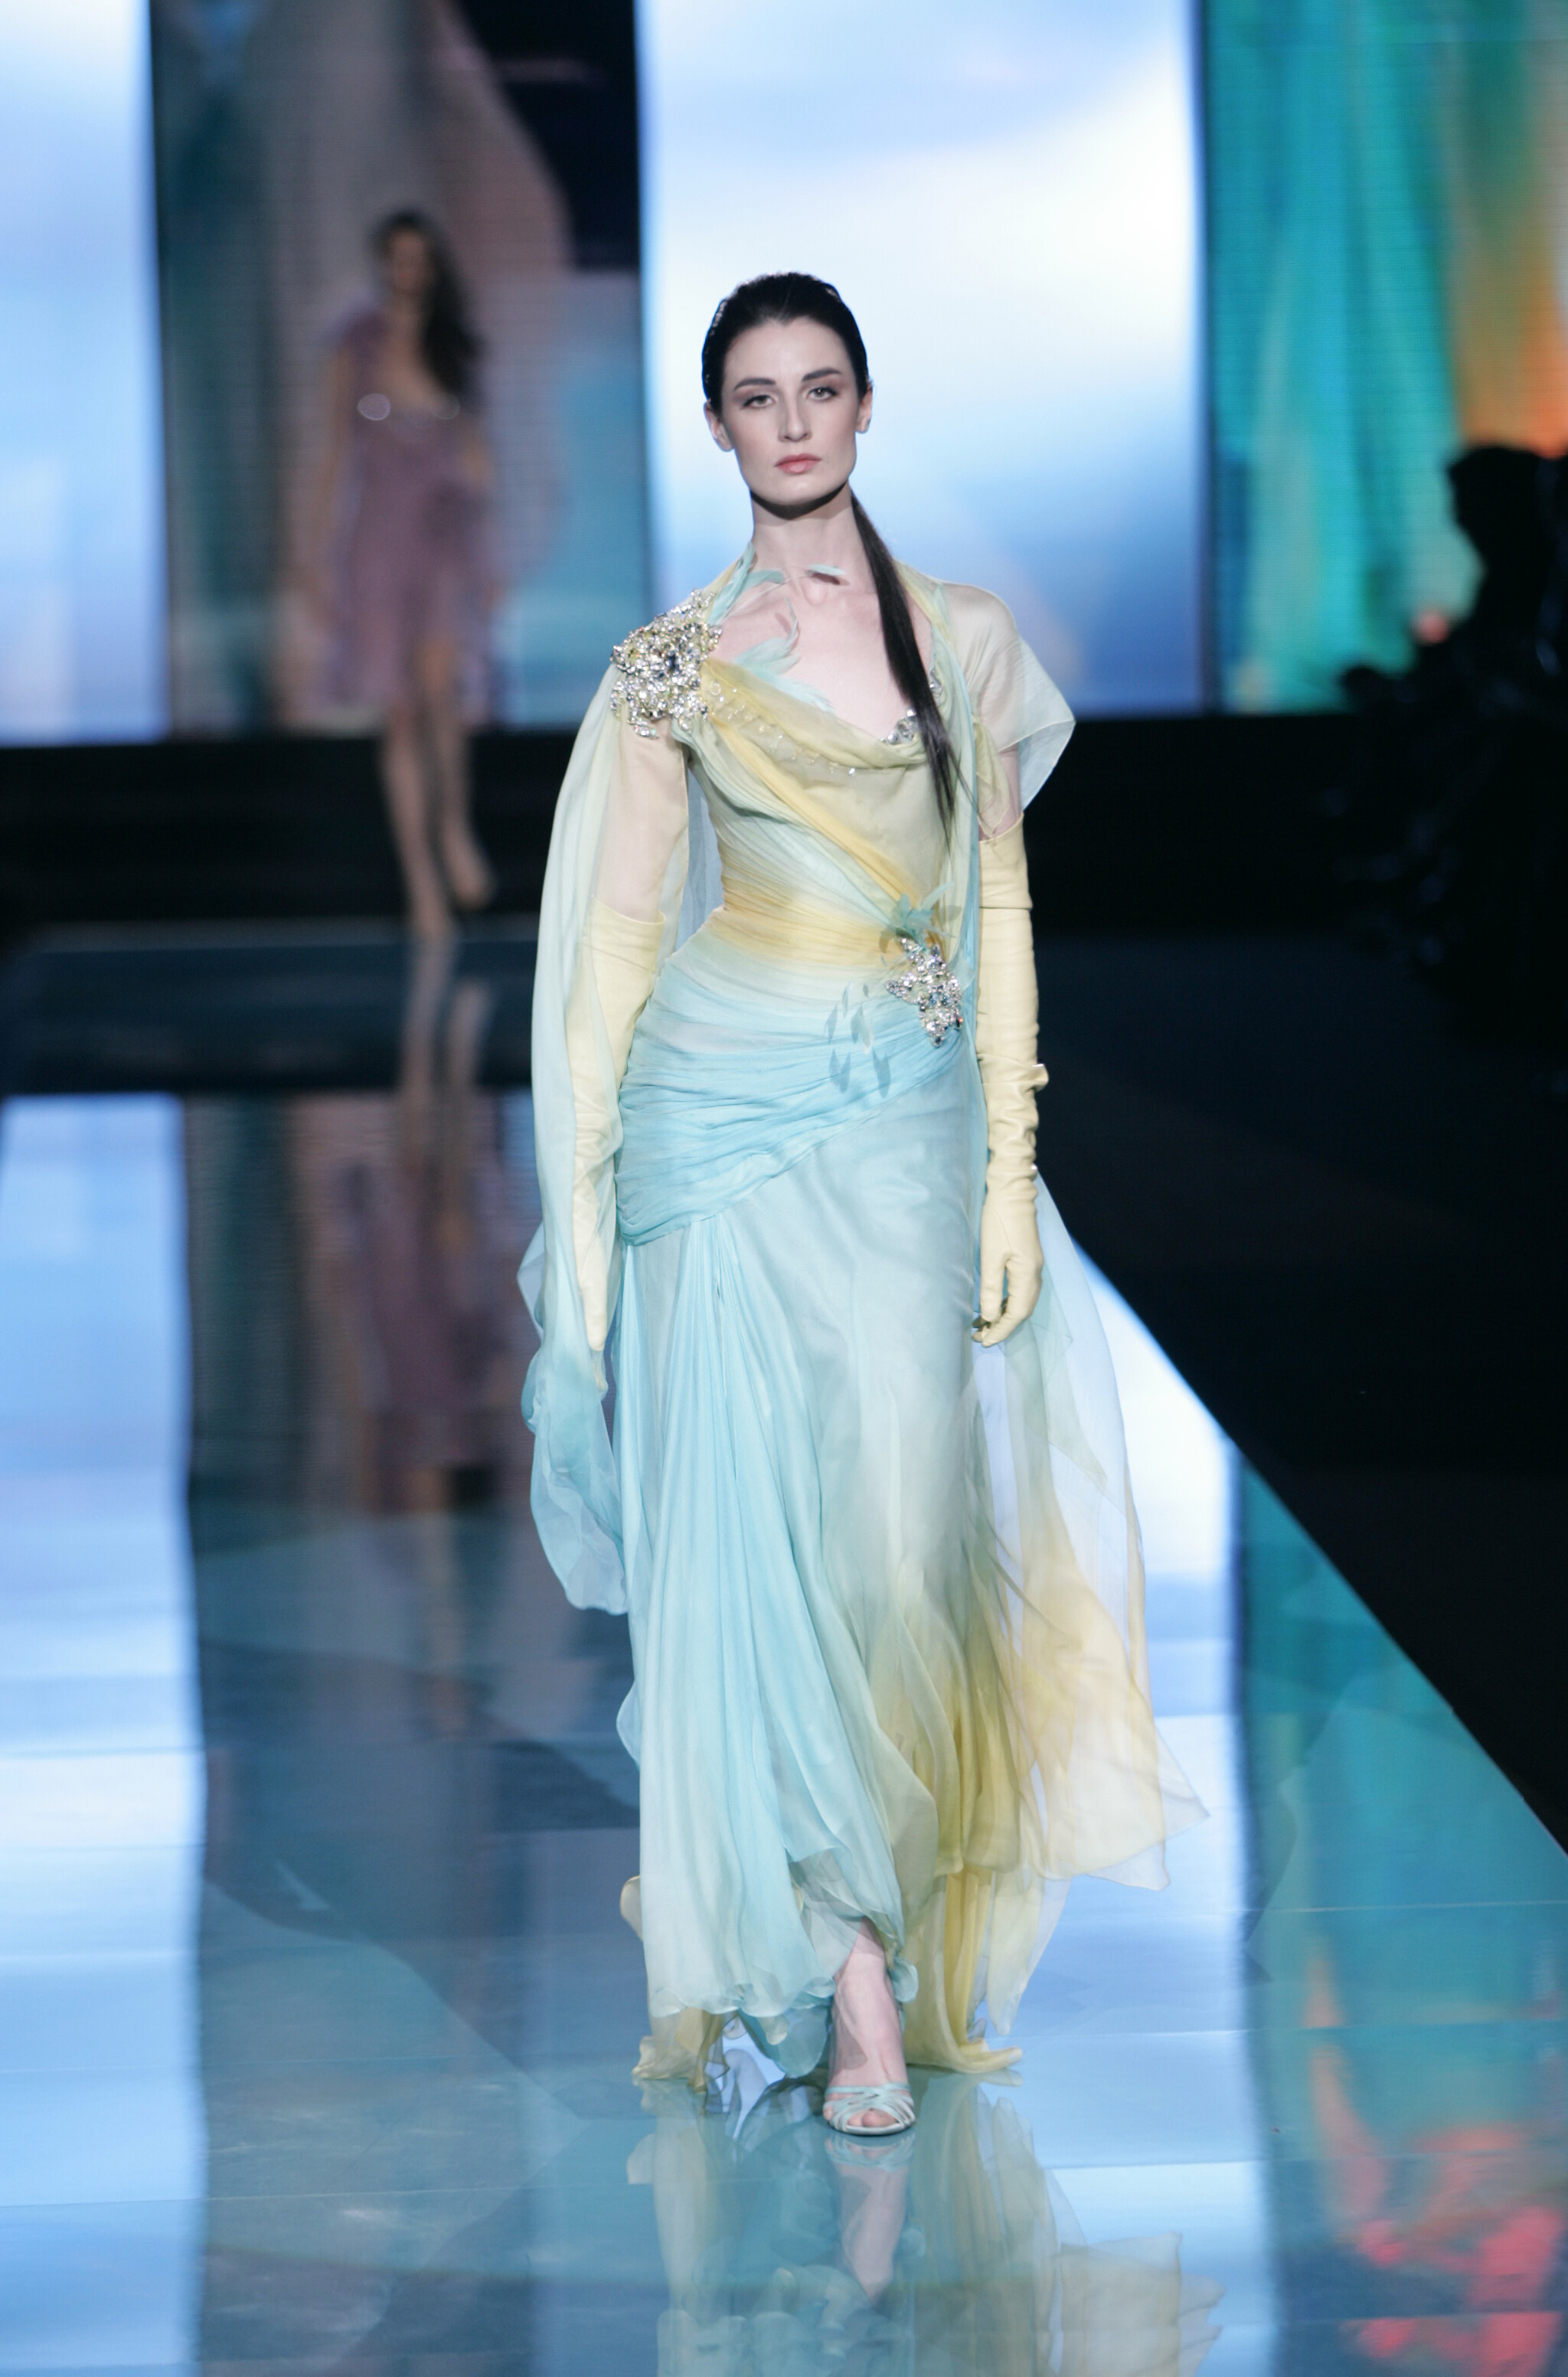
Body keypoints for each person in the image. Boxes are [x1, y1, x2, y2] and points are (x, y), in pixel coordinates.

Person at [521, 273, 1201, 2135]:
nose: (792, 422)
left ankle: (865, 1924)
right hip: (711, 1130)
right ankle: (851, 1975)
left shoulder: (960, 636)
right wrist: (588, 1199)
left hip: (902, 1128)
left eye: (819, 387)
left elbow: (1000, 908)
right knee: (757, 1548)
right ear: (718, 426)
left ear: (866, 404)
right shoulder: (670, 666)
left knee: (898, 1547)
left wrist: (1009, 1169)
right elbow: (620, 944)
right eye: (757, 395)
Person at [310, 210, 497, 937]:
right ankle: (421, 881)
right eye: (398, 257)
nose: (408, 271)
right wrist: (316, 556)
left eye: (420, 258)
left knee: (442, 697)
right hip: (379, 544)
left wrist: (489, 557)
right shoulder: (354, 346)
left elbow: (477, 457)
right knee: (399, 711)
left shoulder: (453, 346)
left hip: (445, 539)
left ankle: (452, 830)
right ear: (383, 264)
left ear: (433, 267)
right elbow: (334, 452)